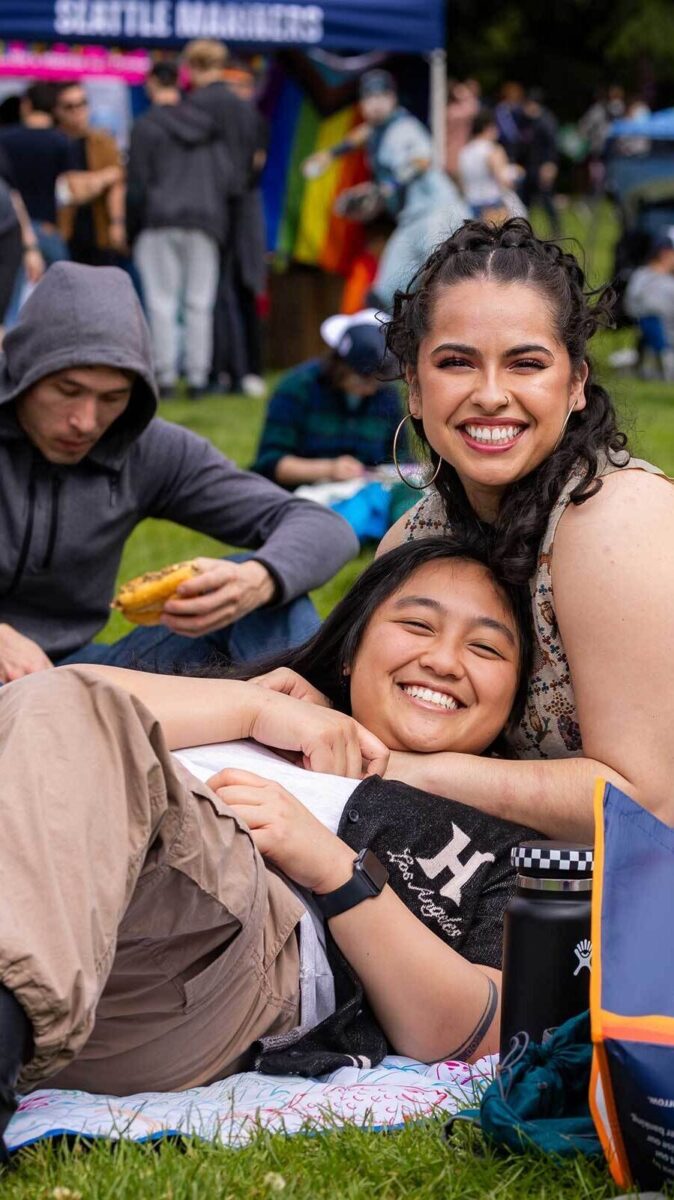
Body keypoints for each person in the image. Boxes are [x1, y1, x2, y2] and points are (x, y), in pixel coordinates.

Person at [0, 536, 539, 1149]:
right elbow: (36, 706)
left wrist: (338, 873)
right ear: (352, 648)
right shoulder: (274, 703)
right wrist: (252, 707)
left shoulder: (504, 844)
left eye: (486, 647)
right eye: (417, 624)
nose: (444, 660)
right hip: (65, 916)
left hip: (229, 956)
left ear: (516, 695)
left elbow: (479, 1031)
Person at [366, 218, 674, 843]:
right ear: (415, 389)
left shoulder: (616, 519)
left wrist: (409, 770)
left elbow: (646, 805)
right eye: (456, 362)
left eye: (525, 364)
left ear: (576, 384)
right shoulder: (409, 541)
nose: (489, 395)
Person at [0, 261, 359, 683]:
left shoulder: (145, 447)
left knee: (265, 592)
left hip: (78, 673)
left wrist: (256, 581)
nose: (86, 420)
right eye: (68, 391)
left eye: (112, 397)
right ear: (24, 372)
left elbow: (323, 526)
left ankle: (322, 728)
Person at [301, 69, 469, 312]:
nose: (376, 103)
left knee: (447, 288)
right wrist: (331, 155)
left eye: (382, 95)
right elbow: (362, 136)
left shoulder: (404, 128)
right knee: (385, 295)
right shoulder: (378, 133)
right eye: (369, 97)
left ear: (393, 98)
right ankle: (390, 348)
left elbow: (421, 161)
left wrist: (381, 190)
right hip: (411, 220)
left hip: (438, 215)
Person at [127, 61, 233, 400]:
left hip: (158, 221)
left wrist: (129, 229)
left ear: (154, 83)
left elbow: (137, 185)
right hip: (204, 220)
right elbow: (226, 178)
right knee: (199, 302)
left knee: (161, 301)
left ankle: (167, 376)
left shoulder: (145, 126)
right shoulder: (208, 126)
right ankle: (199, 377)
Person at [252, 310, 404, 488]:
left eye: (377, 382)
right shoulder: (297, 387)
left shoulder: (386, 395)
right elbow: (269, 463)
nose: (370, 390)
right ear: (340, 366)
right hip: (300, 496)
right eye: (363, 379)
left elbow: (400, 457)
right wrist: (328, 469)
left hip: (368, 496)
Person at [53, 80, 126, 265]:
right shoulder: (55, 142)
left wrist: (117, 223)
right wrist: (102, 178)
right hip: (65, 232)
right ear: (58, 110)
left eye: (82, 104)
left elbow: (118, 179)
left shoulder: (102, 141)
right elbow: (69, 189)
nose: (77, 111)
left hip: (99, 229)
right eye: (69, 106)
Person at [458, 110, 523, 220]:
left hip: (471, 204)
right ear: (488, 127)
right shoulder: (492, 150)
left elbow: (461, 181)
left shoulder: (465, 151)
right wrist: (517, 174)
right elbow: (503, 179)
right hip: (492, 204)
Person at [516, 90, 560, 238]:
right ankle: (525, 230)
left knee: (546, 201)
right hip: (529, 167)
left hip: (543, 166)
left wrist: (550, 165)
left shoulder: (546, 121)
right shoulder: (525, 120)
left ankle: (556, 230)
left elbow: (552, 146)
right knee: (525, 202)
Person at [623, 235, 674, 352]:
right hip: (668, 348)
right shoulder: (668, 284)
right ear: (665, 253)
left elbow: (629, 308)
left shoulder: (638, 276)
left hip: (646, 347)